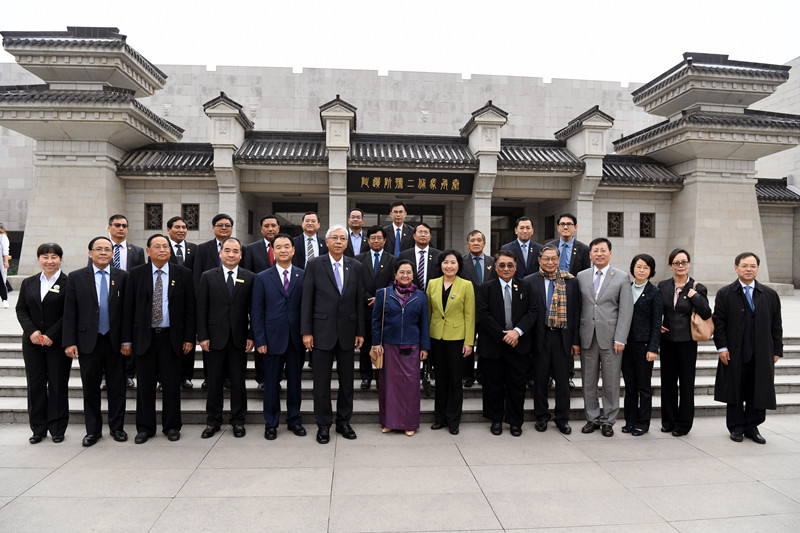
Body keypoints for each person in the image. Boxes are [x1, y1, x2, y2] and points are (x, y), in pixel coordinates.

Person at [122, 234, 195, 444]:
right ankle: (145, 428)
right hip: (144, 338)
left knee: (172, 385)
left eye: (165, 246)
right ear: (148, 251)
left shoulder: (183, 273)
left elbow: (190, 308)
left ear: (170, 251)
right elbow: (128, 310)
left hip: (171, 338)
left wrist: (189, 337)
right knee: (145, 386)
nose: (162, 250)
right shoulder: (136, 274)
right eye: (157, 246)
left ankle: (172, 426)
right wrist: (126, 340)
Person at [301, 225, 364, 444]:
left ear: (347, 243)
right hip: (321, 333)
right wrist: (306, 331)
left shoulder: (355, 266)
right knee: (321, 383)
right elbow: (307, 299)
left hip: (348, 333)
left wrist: (360, 331)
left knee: (347, 382)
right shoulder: (315, 264)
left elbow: (358, 301)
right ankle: (323, 425)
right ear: (326, 242)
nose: (338, 241)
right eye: (334, 238)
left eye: (342, 238)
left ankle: (344, 422)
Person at [63, 237, 129, 446]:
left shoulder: (123, 277)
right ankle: (93, 431)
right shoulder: (76, 277)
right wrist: (69, 341)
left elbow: (128, 312)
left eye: (107, 249)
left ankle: (117, 428)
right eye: (98, 249)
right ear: (90, 253)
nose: (103, 252)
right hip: (87, 341)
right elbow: (70, 311)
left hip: (115, 341)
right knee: (90, 387)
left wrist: (127, 341)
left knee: (117, 387)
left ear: (112, 254)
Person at [713, 252, 782, 444]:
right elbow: (719, 323)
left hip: (761, 352)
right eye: (744, 266)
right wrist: (722, 347)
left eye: (752, 266)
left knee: (758, 389)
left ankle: (752, 426)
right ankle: (736, 427)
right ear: (736, 268)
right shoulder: (725, 293)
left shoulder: (769, 294)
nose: (748, 269)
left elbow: (777, 324)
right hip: (734, 352)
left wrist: (777, 350)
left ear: (758, 268)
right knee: (735, 389)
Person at [197, 237, 254, 439]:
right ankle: (213, 421)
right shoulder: (208, 276)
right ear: (220, 253)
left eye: (235, 251)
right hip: (214, 339)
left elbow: (253, 310)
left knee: (238, 382)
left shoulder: (249, 277)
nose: (231, 254)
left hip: (239, 339)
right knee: (214, 382)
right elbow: (201, 308)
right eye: (227, 250)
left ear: (241, 254)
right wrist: (202, 336)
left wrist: (251, 335)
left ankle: (238, 420)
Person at [576, 237, 633, 437]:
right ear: (590, 254)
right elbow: (579, 308)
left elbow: (626, 310)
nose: (599, 254)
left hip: (611, 339)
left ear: (610, 253)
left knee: (610, 382)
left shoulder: (621, 277)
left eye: (603, 250)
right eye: (595, 251)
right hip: (587, 337)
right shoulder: (581, 276)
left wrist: (621, 338)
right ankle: (592, 418)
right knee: (588, 381)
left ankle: (608, 420)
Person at [252, 233, 307, 440]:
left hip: (296, 340)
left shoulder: (303, 275)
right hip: (272, 340)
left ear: (293, 250)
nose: (283, 250)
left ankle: (294, 420)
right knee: (272, 383)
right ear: (273, 251)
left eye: (287, 246)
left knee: (295, 382)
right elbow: (256, 311)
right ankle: (271, 422)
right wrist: (260, 340)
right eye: (279, 247)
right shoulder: (262, 277)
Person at [15, 243, 71, 444]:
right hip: (32, 343)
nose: (50, 261)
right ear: (39, 259)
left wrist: (51, 335)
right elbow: (21, 309)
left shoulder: (69, 282)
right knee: (36, 386)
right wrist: (32, 332)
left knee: (57, 385)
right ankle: (38, 429)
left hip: (56, 344)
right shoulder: (29, 282)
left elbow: (69, 313)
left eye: (54, 257)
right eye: (45, 257)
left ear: (60, 259)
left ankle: (57, 428)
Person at [477, 250, 536, 437]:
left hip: (518, 346)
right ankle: (496, 420)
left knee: (517, 386)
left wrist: (516, 332)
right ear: (495, 267)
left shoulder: (525, 286)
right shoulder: (485, 288)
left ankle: (515, 421)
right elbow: (483, 314)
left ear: (516, 267)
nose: (506, 268)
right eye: (501, 265)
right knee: (493, 385)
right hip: (493, 345)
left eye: (510, 265)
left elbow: (532, 311)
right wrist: (503, 335)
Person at [523, 244, 580, 435]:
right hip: (540, 337)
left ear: (559, 260)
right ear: (539, 260)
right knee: (539, 381)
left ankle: (562, 418)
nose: (550, 262)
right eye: (546, 259)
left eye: (553, 258)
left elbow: (576, 313)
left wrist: (575, 341)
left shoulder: (570, 281)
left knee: (563, 382)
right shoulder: (529, 281)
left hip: (563, 337)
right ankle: (541, 416)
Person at [372, 260, 430, 436]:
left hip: (412, 346)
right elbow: (376, 322)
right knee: (389, 386)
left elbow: (424, 323)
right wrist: (376, 344)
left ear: (413, 275)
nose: (405, 275)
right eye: (402, 272)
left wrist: (425, 347)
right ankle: (389, 422)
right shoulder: (383, 294)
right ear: (395, 274)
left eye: (409, 272)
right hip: (389, 345)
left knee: (410, 386)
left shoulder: (421, 296)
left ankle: (409, 423)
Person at [657, 248, 711, 436]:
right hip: (667, 340)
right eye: (676, 262)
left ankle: (684, 424)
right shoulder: (663, 286)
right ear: (671, 265)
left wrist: (693, 294)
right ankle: (668, 421)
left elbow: (706, 312)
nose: (680, 266)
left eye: (684, 262)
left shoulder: (698, 287)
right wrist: (657, 325)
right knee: (668, 382)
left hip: (687, 341)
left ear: (689, 264)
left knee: (687, 384)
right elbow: (656, 310)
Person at [426, 250, 475, 435]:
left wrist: (469, 342)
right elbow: (428, 313)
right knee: (440, 379)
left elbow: (470, 315)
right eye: (445, 262)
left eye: (453, 262)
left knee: (455, 380)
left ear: (459, 265)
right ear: (441, 265)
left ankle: (454, 421)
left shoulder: (466, 285)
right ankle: (440, 418)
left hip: (457, 339)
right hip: (436, 337)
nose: (449, 266)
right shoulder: (432, 284)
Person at [546, 212, 590, 388]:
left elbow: (585, 273)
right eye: (562, 224)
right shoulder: (549, 246)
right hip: (552, 295)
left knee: (568, 336)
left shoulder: (583, 249)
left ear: (575, 227)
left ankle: (568, 374)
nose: (566, 227)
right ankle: (548, 375)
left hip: (572, 296)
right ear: (557, 227)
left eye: (569, 224)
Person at [193, 213, 236, 390]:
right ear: (213, 228)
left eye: (227, 225)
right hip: (211, 305)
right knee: (210, 348)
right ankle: (208, 378)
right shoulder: (202, 249)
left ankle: (227, 377)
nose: (224, 228)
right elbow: (197, 276)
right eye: (220, 225)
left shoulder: (239, 248)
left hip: (232, 304)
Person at [621, 254, 662, 436]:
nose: (641, 270)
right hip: (626, 345)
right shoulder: (626, 288)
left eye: (646, 267)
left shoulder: (655, 292)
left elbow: (657, 323)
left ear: (651, 271)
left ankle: (642, 423)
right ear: (632, 269)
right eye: (638, 267)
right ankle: (629, 421)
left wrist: (653, 348)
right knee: (629, 386)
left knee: (643, 387)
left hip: (644, 346)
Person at [104, 214, 145, 388]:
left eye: (124, 226)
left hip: (129, 299)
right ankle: (106, 376)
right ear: (109, 228)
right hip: (107, 299)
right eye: (117, 225)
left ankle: (128, 374)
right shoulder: (102, 249)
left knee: (129, 336)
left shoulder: (136, 251)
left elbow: (141, 275)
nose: (121, 228)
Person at [355, 225, 397, 390]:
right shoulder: (358, 259)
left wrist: (380, 298)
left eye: (379, 238)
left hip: (385, 308)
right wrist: (367, 298)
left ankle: (381, 377)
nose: (376, 241)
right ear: (368, 240)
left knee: (383, 344)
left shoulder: (393, 259)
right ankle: (366, 377)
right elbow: (356, 283)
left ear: (385, 240)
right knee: (365, 345)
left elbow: (394, 282)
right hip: (364, 308)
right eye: (373, 238)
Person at [243, 213, 281, 390]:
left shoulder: (285, 246)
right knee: (261, 339)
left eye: (274, 225)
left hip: (282, 303)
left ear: (278, 228)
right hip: (260, 302)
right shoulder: (251, 249)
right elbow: (248, 275)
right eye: (267, 226)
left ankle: (277, 378)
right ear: (261, 229)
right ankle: (262, 379)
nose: (270, 229)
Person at [460, 230, 495, 387]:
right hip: (467, 311)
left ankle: (482, 374)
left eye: (479, 240)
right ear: (467, 244)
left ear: (484, 243)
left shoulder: (493, 262)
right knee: (467, 343)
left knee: (485, 345)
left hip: (488, 311)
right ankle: (467, 375)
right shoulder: (461, 263)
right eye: (472, 240)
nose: (476, 243)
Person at [167, 216, 198, 389]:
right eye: (177, 227)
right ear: (169, 230)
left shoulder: (194, 249)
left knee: (188, 338)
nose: (181, 230)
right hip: (167, 299)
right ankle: (165, 378)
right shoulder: (163, 247)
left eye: (184, 227)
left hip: (188, 298)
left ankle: (186, 375)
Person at [399, 222, 440, 292]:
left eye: (426, 232)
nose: (423, 235)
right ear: (414, 236)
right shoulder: (404, 255)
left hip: (432, 294)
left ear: (430, 237)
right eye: (420, 232)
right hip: (409, 295)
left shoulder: (438, 255)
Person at [0, 224, 10, 308]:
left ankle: (4, 300)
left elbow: (5, 250)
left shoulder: (2, 236)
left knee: (1, 282)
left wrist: (6, 261)